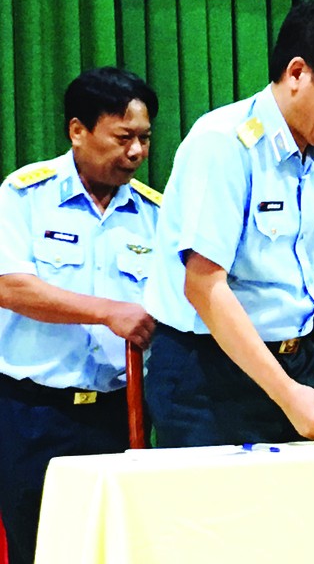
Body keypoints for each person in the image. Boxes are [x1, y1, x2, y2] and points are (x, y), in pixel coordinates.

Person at [144, 0, 314, 447]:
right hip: (211, 377)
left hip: (298, 368)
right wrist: (285, 394)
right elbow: (204, 285)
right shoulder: (223, 144)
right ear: (297, 73)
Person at [0, 68, 159, 564]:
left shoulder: (155, 214)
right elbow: (10, 287)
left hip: (118, 414)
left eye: (144, 138)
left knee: (113, 551)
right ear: (77, 130)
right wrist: (108, 312)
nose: (136, 152)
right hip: (34, 413)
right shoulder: (25, 195)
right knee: (39, 548)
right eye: (123, 137)